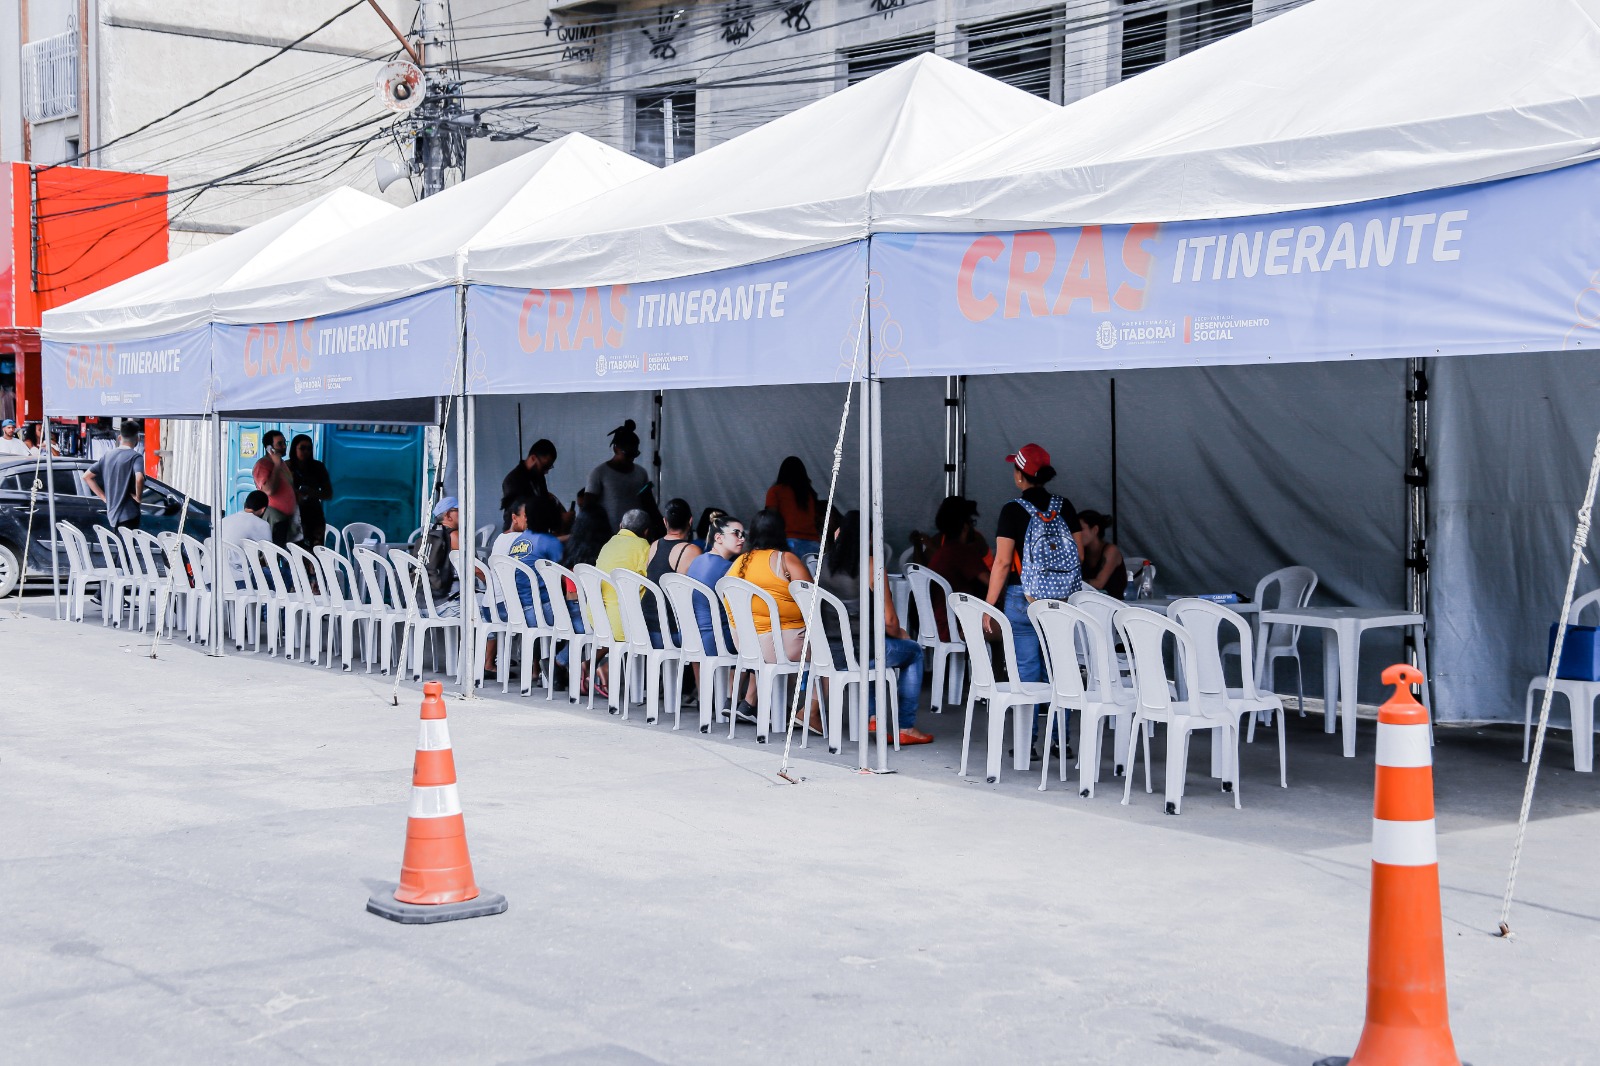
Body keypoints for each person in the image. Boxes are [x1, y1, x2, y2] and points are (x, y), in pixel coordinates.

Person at [982, 443, 1083, 760]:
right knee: (1060, 670)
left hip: (1021, 597)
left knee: (1027, 671)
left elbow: (1001, 563)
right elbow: (1078, 555)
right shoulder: (1064, 506)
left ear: (1019, 475)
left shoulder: (1012, 510)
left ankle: (1028, 744)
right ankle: (1060, 742)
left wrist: (989, 607)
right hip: (1061, 600)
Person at [818, 511, 931, 745]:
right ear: (869, 538)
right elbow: (890, 622)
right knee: (913, 652)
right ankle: (906, 727)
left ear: (838, 534)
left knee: (873, 650)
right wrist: (904, 636)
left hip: (830, 653)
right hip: (864, 653)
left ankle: (873, 718)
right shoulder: (872, 567)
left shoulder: (823, 564)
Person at [726, 508, 818, 730]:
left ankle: (757, 704)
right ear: (780, 532)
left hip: (746, 645)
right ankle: (810, 712)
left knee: (773, 638)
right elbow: (812, 601)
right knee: (830, 651)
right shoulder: (785, 560)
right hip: (783, 646)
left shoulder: (739, 562)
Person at [911, 496, 991, 641]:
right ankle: (997, 664)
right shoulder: (962, 551)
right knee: (1006, 627)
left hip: (933, 624)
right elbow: (993, 585)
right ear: (966, 526)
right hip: (955, 627)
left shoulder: (942, 550)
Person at [557, 499, 611, 692]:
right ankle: (562, 662)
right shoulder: (604, 551)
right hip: (590, 611)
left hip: (569, 608)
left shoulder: (571, 547)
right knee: (618, 631)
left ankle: (563, 663)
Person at [492, 495, 563, 626]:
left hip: (517, 610)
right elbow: (562, 578)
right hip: (541, 611)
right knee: (580, 612)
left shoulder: (519, 540)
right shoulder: (550, 542)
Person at [641, 497, 701, 644]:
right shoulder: (691, 550)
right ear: (690, 521)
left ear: (665, 522)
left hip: (645, 626)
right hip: (670, 631)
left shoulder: (654, 545)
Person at [686, 510, 740, 657]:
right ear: (718, 537)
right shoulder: (728, 567)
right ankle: (733, 681)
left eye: (743, 535)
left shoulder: (697, 560)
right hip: (718, 639)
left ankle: (705, 681)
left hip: (692, 636)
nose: (741, 539)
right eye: (736, 534)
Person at [584, 420, 654, 534]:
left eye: (635, 454)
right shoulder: (599, 473)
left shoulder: (641, 473)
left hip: (636, 536)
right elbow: (588, 509)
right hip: (608, 536)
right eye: (628, 454)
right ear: (615, 449)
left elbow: (649, 505)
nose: (631, 459)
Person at [595, 508, 652, 643]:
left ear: (621, 526)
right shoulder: (644, 547)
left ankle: (601, 664)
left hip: (597, 618)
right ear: (646, 532)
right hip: (625, 622)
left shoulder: (608, 545)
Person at [83, 421, 146, 529]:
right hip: (129, 515)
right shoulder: (136, 457)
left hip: (112, 515)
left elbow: (87, 476)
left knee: (119, 545)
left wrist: (104, 498)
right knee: (128, 545)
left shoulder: (108, 455)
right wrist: (138, 497)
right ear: (138, 439)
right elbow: (139, 478)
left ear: (120, 437)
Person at [765, 455, 821, 556]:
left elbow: (771, 518)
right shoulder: (809, 493)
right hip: (813, 542)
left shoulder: (775, 491)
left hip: (788, 541)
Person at [500, 438, 560, 530]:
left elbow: (543, 502)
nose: (546, 471)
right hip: (519, 537)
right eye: (545, 466)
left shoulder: (539, 476)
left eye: (549, 467)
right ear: (533, 458)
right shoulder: (513, 480)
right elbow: (524, 512)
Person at [287, 434, 333, 552]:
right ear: (294, 449)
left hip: (314, 514)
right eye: (302, 448)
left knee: (316, 551)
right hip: (293, 515)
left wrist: (312, 492)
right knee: (295, 552)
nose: (306, 451)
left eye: (309, 448)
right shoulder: (286, 467)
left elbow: (328, 494)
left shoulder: (318, 467)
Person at [252, 430, 296, 547]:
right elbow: (269, 490)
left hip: (287, 519)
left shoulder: (282, 464)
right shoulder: (262, 465)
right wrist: (276, 465)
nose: (284, 446)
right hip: (274, 519)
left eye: (284, 443)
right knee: (272, 553)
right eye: (280, 444)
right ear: (269, 448)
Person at [219, 490, 272, 587]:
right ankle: (271, 601)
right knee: (280, 574)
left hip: (210, 579)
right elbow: (271, 561)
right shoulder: (262, 524)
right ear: (263, 510)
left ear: (245, 504)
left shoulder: (223, 521)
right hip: (237, 581)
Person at [1077, 510, 1127, 600]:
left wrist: (1070, 583)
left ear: (1095, 530)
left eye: (1081, 529)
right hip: (1090, 602)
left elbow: (1099, 583)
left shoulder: (1111, 550)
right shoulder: (1082, 552)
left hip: (1114, 604)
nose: (1078, 534)